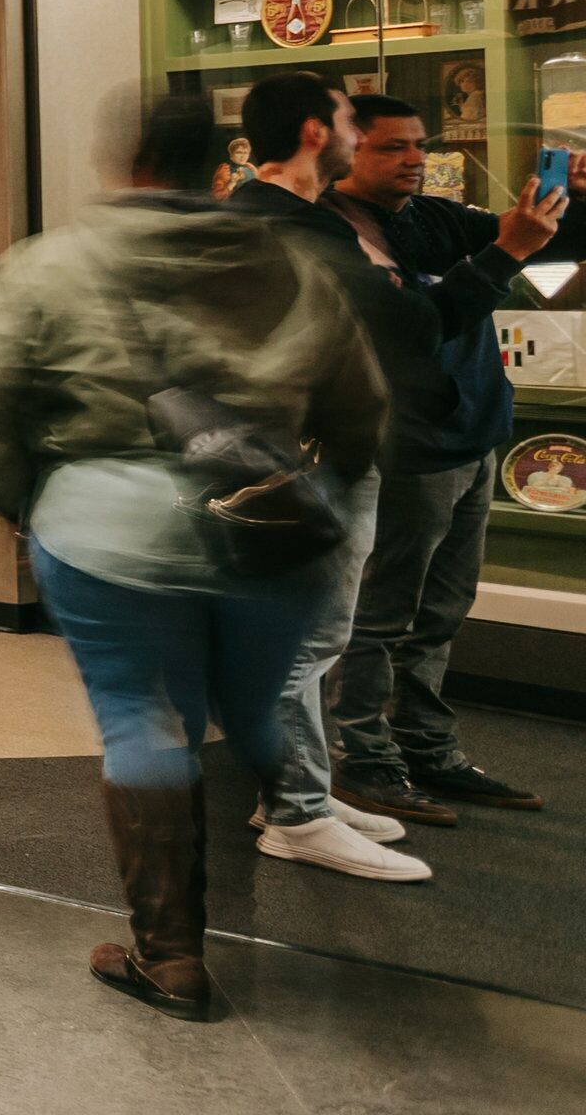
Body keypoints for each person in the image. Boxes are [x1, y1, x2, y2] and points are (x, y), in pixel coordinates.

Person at [0, 93, 385, 1019]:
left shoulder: (49, 264)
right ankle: (273, 803)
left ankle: (170, 953)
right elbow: (358, 408)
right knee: (250, 706)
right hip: (266, 529)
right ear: (217, 166)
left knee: (142, 719)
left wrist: (27, 497)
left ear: (124, 160)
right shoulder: (290, 259)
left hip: (107, 525)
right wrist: (315, 486)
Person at [328, 92, 561, 825]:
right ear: (347, 150)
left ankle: (427, 748)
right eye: (392, 147)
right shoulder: (330, 234)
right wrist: (505, 250)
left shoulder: (432, 217)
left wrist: (567, 199)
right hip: (408, 448)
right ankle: (364, 761)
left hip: (476, 437)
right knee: (384, 613)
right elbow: (423, 328)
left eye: (419, 144)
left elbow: (539, 240)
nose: (414, 160)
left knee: (443, 611)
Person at [220, 73, 431, 880]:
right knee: (300, 642)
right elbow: (406, 326)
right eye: (347, 119)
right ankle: (297, 815)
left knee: (314, 637)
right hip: (307, 456)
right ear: (315, 132)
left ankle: (293, 790)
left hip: (315, 450)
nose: (356, 132)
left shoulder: (286, 217)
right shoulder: (290, 225)